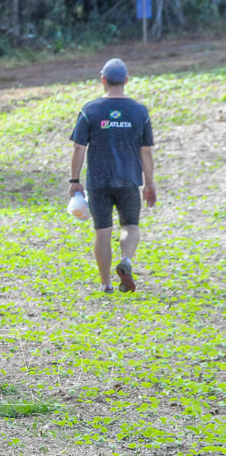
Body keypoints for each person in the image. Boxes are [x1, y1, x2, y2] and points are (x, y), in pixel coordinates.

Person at [69, 57, 156, 294]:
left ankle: (106, 284)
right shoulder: (139, 112)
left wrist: (75, 181)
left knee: (103, 232)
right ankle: (126, 260)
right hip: (129, 180)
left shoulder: (90, 110)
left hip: (98, 181)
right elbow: (145, 151)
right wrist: (149, 183)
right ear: (126, 80)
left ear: (103, 81)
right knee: (130, 225)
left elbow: (79, 148)